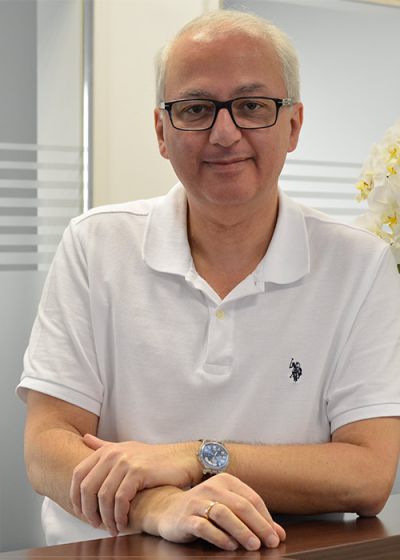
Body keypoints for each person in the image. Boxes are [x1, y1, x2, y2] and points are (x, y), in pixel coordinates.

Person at [17, 9, 400, 553]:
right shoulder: (94, 244)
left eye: (252, 106)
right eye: (196, 109)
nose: (225, 134)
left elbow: (368, 474)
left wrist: (196, 456)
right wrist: (159, 506)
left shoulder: (360, 265)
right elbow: (46, 446)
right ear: (161, 131)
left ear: (293, 126)